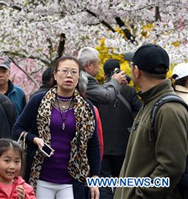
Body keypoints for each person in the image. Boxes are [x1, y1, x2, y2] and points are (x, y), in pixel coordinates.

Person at [12, 56, 100, 199]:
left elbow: (93, 145)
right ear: (55, 74)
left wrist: (95, 178)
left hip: (72, 178)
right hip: (41, 175)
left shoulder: (86, 107)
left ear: (79, 77)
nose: (69, 76)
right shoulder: (38, 100)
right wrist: (35, 140)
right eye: (64, 71)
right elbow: (16, 130)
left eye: (74, 72)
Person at [114, 44, 188, 199]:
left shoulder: (168, 109)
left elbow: (171, 167)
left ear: (136, 71)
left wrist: (139, 196)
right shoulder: (151, 102)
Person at [97, 59, 142, 199]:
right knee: (121, 181)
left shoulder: (99, 91)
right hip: (123, 145)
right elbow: (141, 113)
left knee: (103, 182)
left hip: (102, 144)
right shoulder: (129, 91)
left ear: (104, 74)